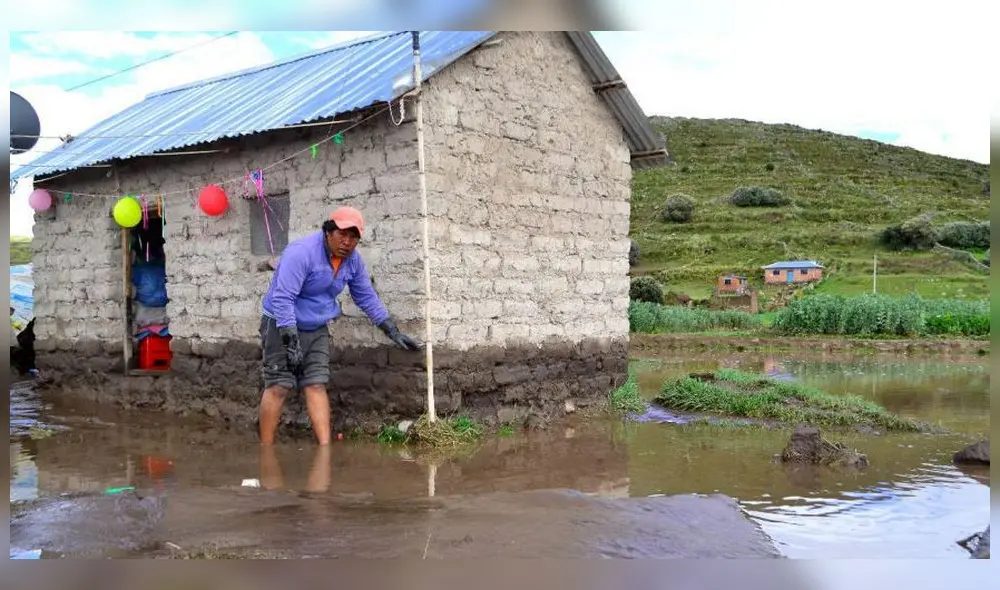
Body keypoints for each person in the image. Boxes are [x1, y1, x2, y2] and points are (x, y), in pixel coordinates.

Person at [258, 206, 421, 446]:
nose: (347, 242)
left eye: (353, 237)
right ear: (328, 232)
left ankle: (325, 449)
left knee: (315, 384)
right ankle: (266, 449)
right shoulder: (302, 253)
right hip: (281, 323)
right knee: (279, 385)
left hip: (316, 326)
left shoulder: (352, 261)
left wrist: (390, 329)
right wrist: (290, 343)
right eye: (342, 234)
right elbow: (283, 299)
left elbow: (365, 296)